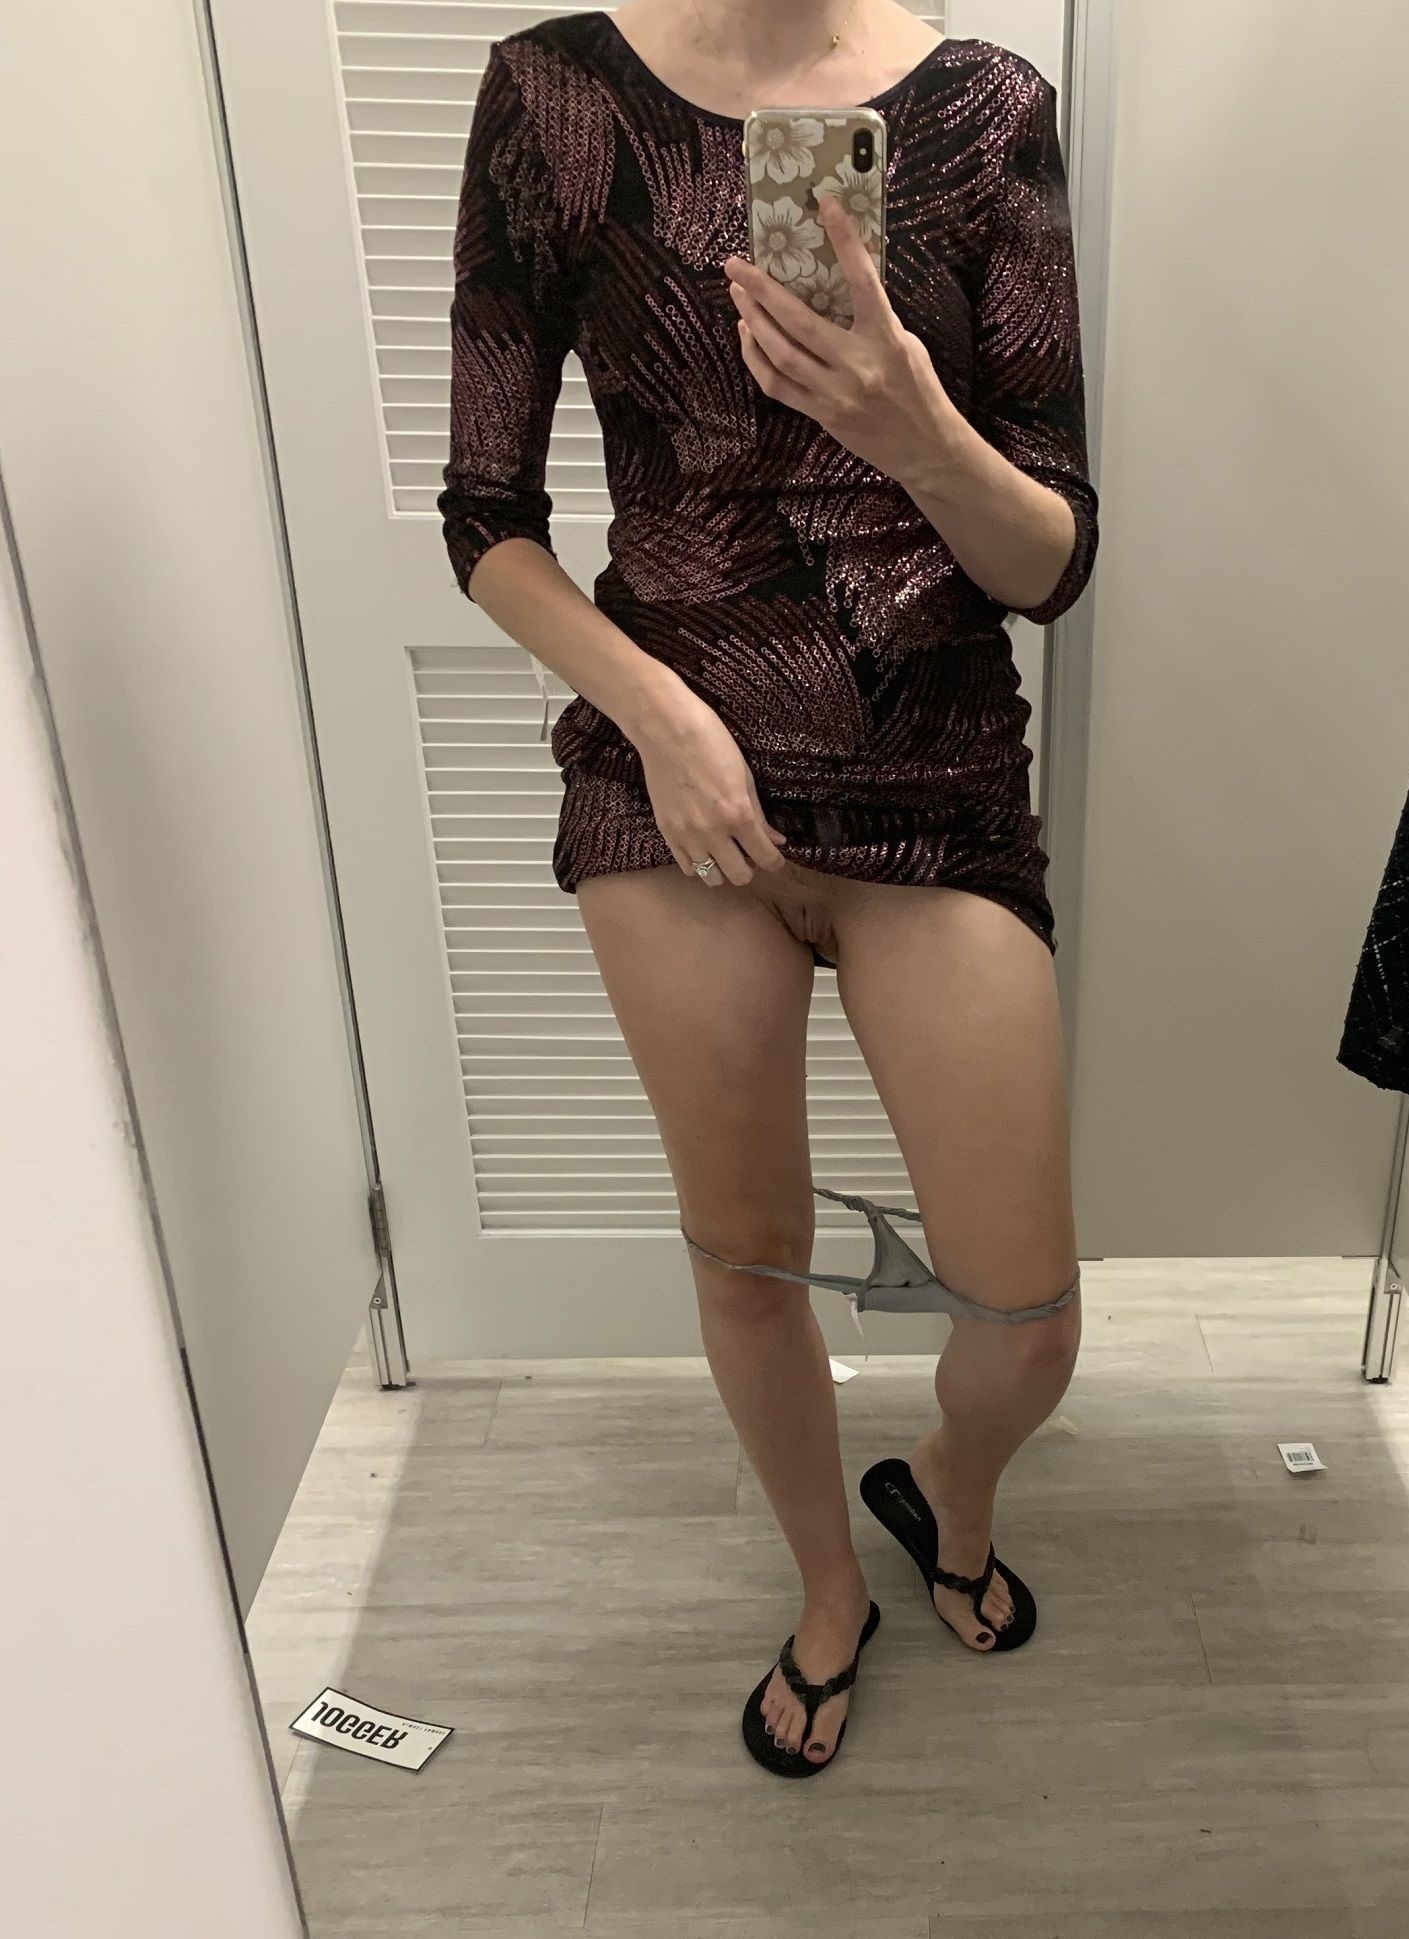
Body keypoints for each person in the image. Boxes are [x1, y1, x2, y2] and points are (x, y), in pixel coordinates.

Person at [438, 0, 1097, 1775]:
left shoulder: (989, 109)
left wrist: (917, 430)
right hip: (677, 791)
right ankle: (828, 1589)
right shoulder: (553, 94)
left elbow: (1051, 557)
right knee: (749, 1258)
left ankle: (949, 1481)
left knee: (1029, 1322)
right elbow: (485, 515)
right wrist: (658, 718)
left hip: (934, 778)